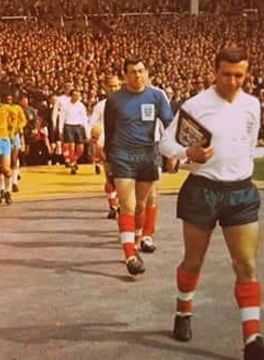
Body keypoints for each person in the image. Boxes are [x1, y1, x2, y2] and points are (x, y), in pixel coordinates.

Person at [160, 47, 264, 360]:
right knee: (193, 261)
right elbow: (166, 142)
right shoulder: (197, 104)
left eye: (239, 75)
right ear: (215, 72)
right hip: (203, 190)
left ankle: (253, 340)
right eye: (226, 74)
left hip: (240, 192)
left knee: (247, 265)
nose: (232, 81)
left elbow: (249, 144)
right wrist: (190, 154)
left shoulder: (253, 104)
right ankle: (183, 310)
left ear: (246, 73)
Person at [104, 57, 173, 276]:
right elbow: (109, 131)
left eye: (141, 71)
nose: (137, 75)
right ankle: (130, 256)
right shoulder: (114, 100)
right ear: (125, 76)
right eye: (132, 72)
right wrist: (108, 162)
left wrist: (174, 152)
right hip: (122, 155)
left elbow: (170, 124)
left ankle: (137, 239)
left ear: (147, 73)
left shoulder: (156, 96)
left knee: (141, 206)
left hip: (147, 156)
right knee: (128, 206)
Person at [89, 75, 122, 219]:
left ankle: (122, 204)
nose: (113, 88)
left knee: (124, 177)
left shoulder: (127, 104)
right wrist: (94, 138)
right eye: (111, 86)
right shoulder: (100, 106)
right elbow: (91, 124)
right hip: (106, 144)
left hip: (125, 144)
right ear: (106, 88)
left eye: (116, 85)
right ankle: (113, 206)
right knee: (109, 177)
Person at [58, 89, 88, 175]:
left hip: (78, 126)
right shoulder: (65, 105)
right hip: (68, 126)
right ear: (71, 96)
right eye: (75, 95)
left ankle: (73, 159)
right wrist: (60, 130)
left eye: (78, 96)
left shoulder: (81, 105)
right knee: (71, 146)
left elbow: (84, 118)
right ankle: (72, 164)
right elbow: (62, 118)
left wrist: (87, 131)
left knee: (80, 148)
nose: (77, 97)